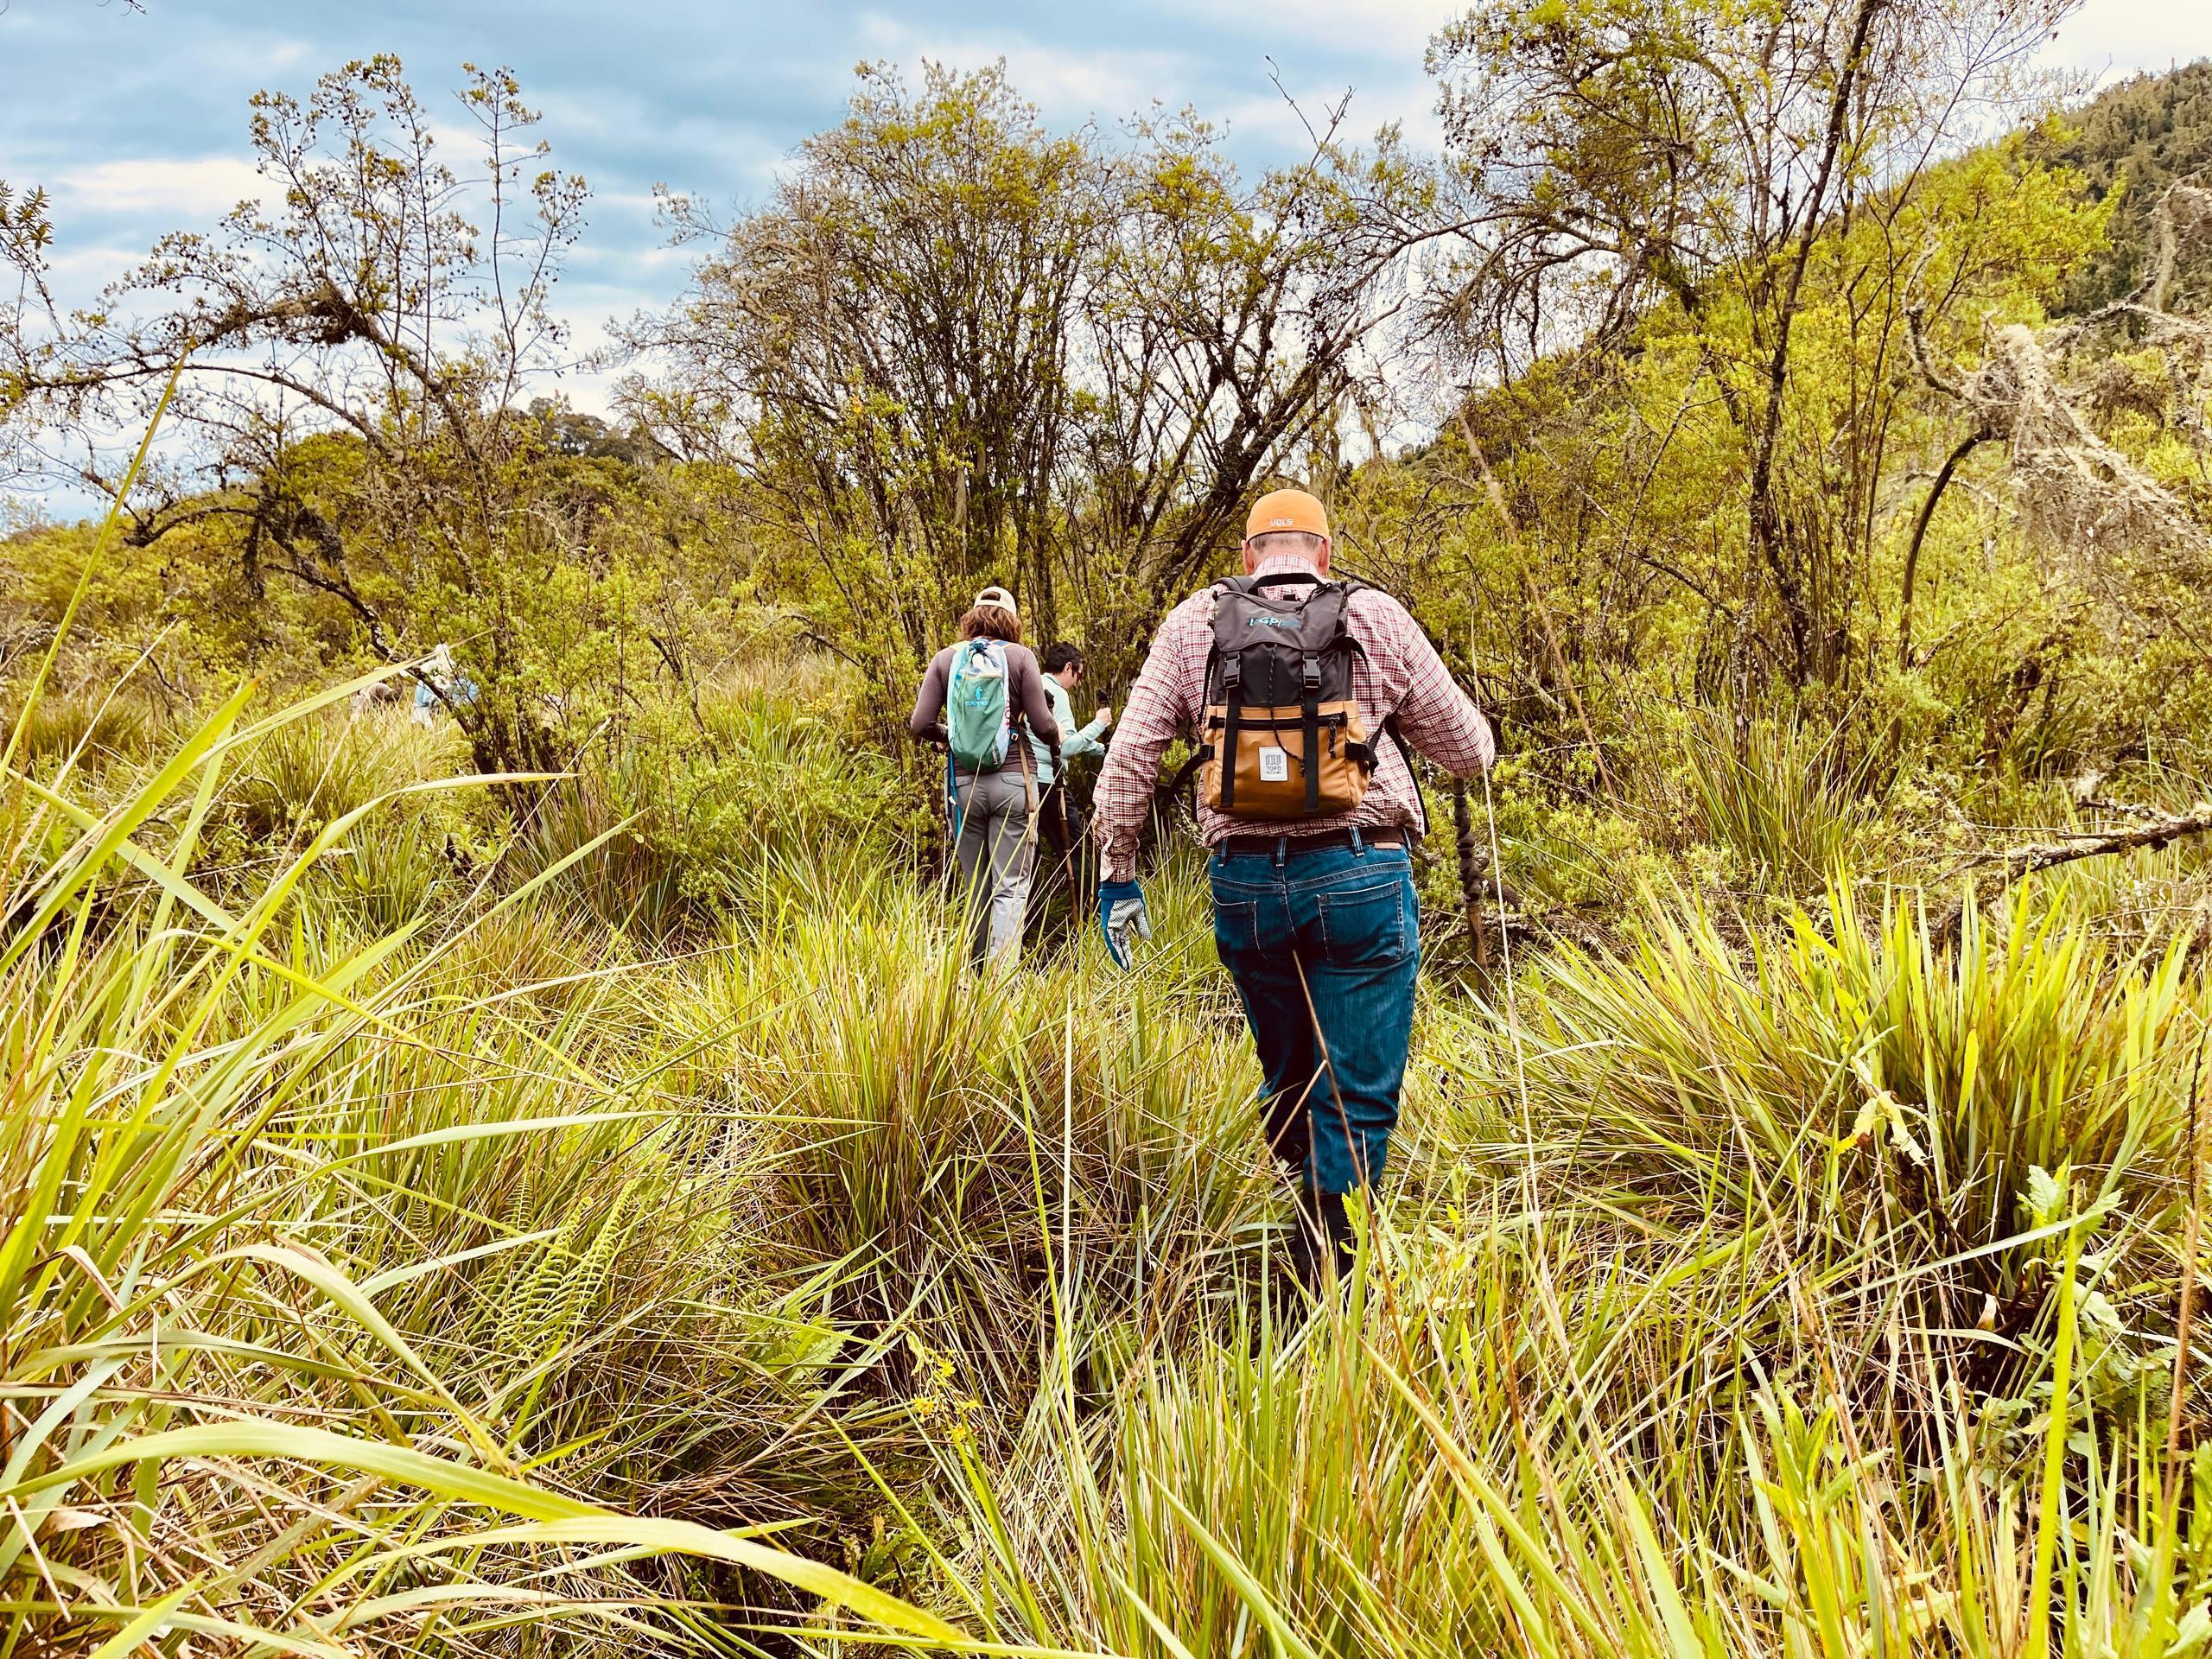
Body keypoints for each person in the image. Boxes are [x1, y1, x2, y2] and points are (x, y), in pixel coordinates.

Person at [1090, 488, 1495, 1292]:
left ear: (1247, 556)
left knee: (1290, 1079)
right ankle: (1330, 1293)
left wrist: (1118, 873)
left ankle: (1302, 1227)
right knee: (1355, 1096)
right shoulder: (1373, 616)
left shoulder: (1191, 624)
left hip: (1244, 887)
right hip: (1360, 877)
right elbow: (1469, 754)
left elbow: (1130, 760)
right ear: (1325, 553)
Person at [910, 586, 1062, 970]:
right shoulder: (1021, 657)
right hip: (1014, 782)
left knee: (976, 885)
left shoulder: (946, 659)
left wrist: (952, 736)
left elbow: (920, 724)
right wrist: (1057, 736)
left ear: (972, 618)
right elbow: (1044, 725)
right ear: (1012, 620)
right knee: (1010, 885)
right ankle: (1001, 979)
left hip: (963, 787)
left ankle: (974, 975)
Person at [1030, 643, 1113, 920]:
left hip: (1025, 784)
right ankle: (1092, 913)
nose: (1079, 682)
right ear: (1068, 668)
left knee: (1031, 855)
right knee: (1077, 849)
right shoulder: (1058, 694)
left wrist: (1103, 750)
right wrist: (1099, 724)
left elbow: (1069, 737)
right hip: (1051, 785)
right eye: (1079, 675)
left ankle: (1029, 920)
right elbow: (1063, 748)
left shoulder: (1033, 687)